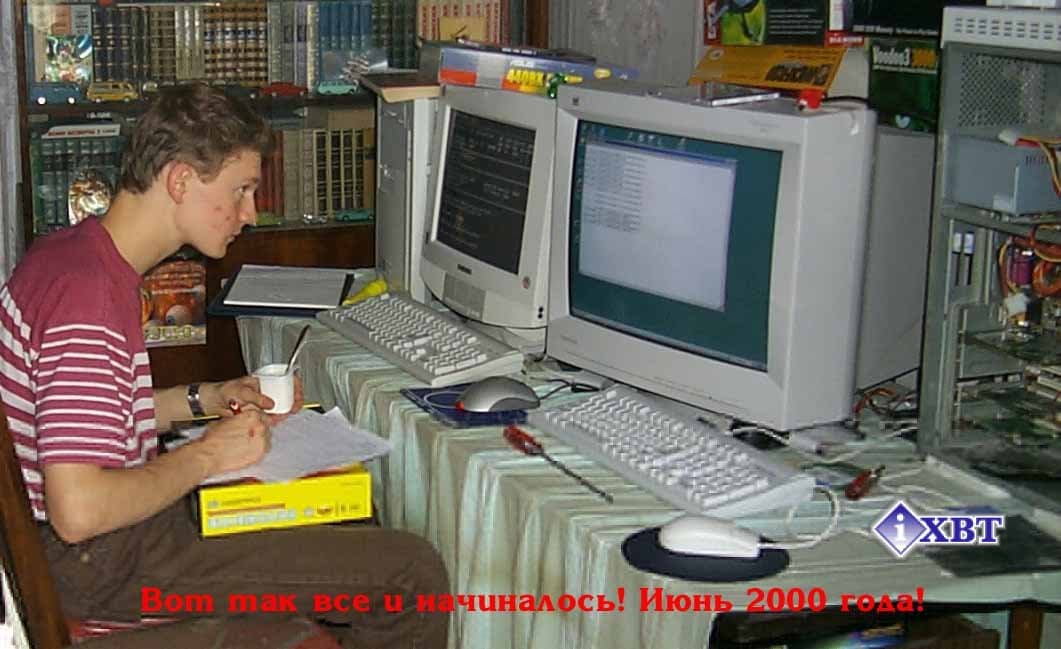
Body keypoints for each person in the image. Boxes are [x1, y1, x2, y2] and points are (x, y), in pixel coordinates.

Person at [0, 82, 448, 649]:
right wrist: (208, 454)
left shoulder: (70, 254)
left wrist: (202, 400)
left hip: (101, 550)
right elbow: (79, 509)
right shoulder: (87, 301)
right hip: (102, 562)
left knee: (343, 523)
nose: (251, 214)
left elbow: (90, 420)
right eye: (241, 190)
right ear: (180, 180)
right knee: (411, 574)